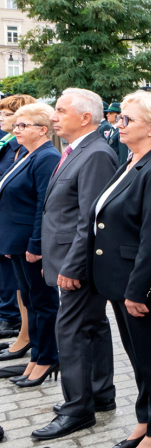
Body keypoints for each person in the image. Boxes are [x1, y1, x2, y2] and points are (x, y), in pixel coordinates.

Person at [89, 90, 151, 448]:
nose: (119, 124)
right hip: (122, 279)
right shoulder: (133, 161)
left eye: (127, 119)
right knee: (138, 356)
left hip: (143, 285)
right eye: (120, 118)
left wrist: (138, 290)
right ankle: (145, 419)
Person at [32, 90, 119, 440]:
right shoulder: (78, 149)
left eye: (61, 110)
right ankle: (99, 394)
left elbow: (90, 220)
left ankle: (78, 408)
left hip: (79, 265)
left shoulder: (95, 153)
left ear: (85, 118)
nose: (54, 116)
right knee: (92, 325)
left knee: (70, 331)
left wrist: (72, 267)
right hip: (68, 259)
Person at [1, 102, 61, 387]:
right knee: (30, 301)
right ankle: (37, 356)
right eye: (16, 125)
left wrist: (36, 245)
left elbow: (43, 206)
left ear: (43, 129)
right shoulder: (28, 154)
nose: (17, 130)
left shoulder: (46, 156)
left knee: (43, 303)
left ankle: (48, 357)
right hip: (16, 241)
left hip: (30, 244)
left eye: (23, 125)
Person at [0, 94, 34, 355]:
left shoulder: (24, 150)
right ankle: (23, 334)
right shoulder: (12, 146)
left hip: (22, 231)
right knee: (18, 287)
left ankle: (25, 334)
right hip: (10, 226)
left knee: (26, 291)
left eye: (8, 114)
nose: (2, 118)